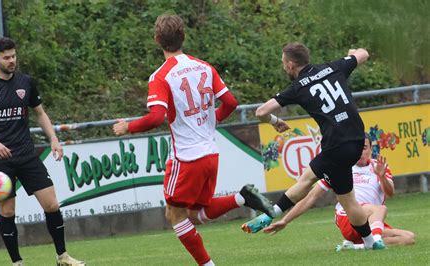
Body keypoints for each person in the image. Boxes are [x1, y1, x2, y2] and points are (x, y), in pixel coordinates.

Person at [113, 14, 273, 266]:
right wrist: (212, 120)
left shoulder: (160, 76)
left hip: (186, 157)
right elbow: (231, 103)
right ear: (183, 37)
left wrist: (127, 127)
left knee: (174, 215)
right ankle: (242, 198)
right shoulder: (204, 66)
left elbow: (156, 117)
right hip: (210, 153)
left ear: (157, 40)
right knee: (197, 214)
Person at [243, 42, 386, 250]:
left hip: (336, 145)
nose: (284, 67)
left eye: (284, 63)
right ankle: (371, 242)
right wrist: (352, 54)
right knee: (347, 199)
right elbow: (364, 53)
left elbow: (260, 112)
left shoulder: (298, 87)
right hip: (356, 140)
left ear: (291, 65)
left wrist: (275, 122)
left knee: (307, 178)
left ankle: (272, 212)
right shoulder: (334, 67)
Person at [0, 37, 84, 266]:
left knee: (52, 205)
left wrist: (54, 139)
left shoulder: (26, 82)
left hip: (27, 154)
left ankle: (63, 257)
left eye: (14, 56)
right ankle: (17, 263)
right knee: (8, 212)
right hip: (0, 159)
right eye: (6, 58)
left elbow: (40, 113)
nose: (12, 61)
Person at [246, 134, 415, 249]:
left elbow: (390, 193)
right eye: (358, 148)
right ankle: (375, 239)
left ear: (371, 149)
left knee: (408, 238)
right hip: (348, 218)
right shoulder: (341, 168)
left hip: (371, 222)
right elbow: (311, 197)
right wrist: (285, 221)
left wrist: (382, 177)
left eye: (364, 147)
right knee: (381, 209)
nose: (361, 151)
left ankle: (356, 246)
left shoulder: (378, 167)